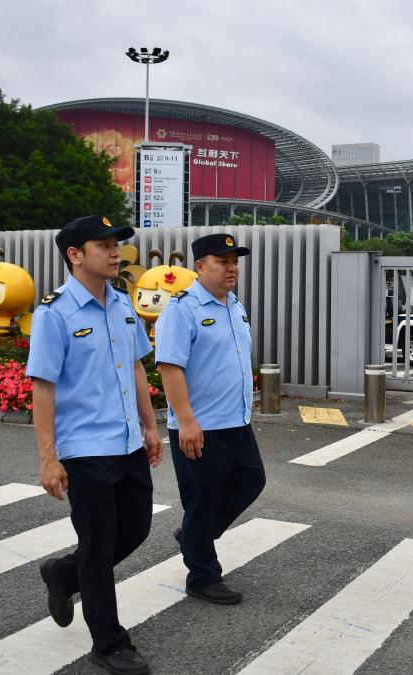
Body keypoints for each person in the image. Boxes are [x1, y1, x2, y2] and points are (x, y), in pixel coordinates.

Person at [27, 215, 162, 675]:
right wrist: (49, 459)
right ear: (75, 254)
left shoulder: (121, 303)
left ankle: (65, 573)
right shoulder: (55, 313)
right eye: (103, 244)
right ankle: (108, 642)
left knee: (136, 529)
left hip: (127, 442)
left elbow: (137, 367)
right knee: (99, 543)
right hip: (85, 449)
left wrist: (150, 425)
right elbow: (43, 387)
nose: (114, 251)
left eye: (115, 244)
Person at [155, 233, 265, 605]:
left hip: (236, 422)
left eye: (234, 261)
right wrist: (186, 421)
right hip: (199, 426)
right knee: (201, 500)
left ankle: (193, 536)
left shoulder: (233, 305)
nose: (232, 268)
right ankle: (202, 576)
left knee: (251, 481)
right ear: (200, 266)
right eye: (222, 261)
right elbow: (169, 367)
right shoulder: (181, 309)